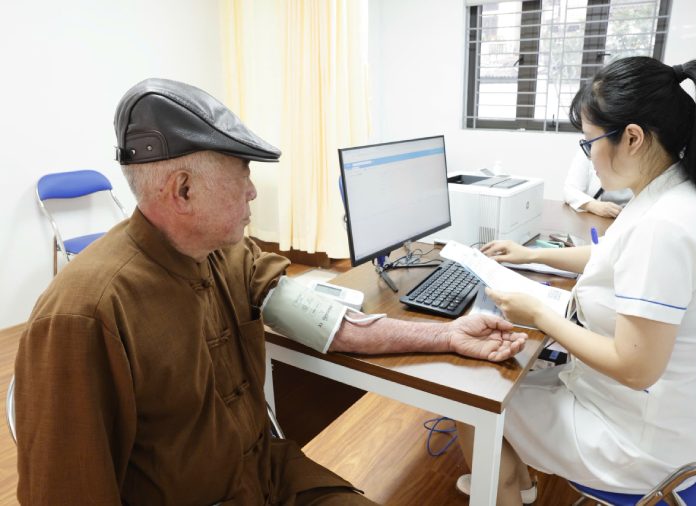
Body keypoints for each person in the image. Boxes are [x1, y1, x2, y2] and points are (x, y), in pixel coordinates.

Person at [14, 79, 529, 506]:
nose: (253, 191)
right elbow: (65, 490)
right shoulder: (84, 315)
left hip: (270, 477)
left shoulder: (227, 253)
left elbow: (333, 325)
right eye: (241, 175)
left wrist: (447, 336)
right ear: (183, 190)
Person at [454, 57, 696, 505]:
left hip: (639, 445)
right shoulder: (672, 191)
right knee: (502, 381)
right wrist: (533, 254)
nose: (587, 156)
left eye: (589, 142)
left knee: (472, 397)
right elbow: (613, 255)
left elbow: (635, 368)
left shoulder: (664, 227)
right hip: (660, 413)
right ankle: (513, 484)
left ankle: (504, 488)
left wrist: (539, 314)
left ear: (632, 137)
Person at [563, 149, 633, 218]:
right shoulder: (587, 151)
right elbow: (570, 190)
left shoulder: (636, 157)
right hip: (600, 220)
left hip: (633, 219)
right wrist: (593, 205)